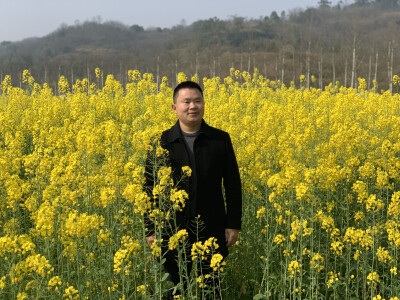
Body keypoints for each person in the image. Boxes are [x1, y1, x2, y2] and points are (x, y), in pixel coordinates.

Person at [144, 80, 242, 299]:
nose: (192, 106)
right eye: (186, 101)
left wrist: (233, 224)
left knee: (211, 289)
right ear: (174, 107)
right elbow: (149, 189)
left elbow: (233, 185)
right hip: (171, 230)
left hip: (211, 226)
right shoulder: (161, 142)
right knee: (174, 291)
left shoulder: (220, 139)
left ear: (204, 104)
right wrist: (151, 228)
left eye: (197, 101)